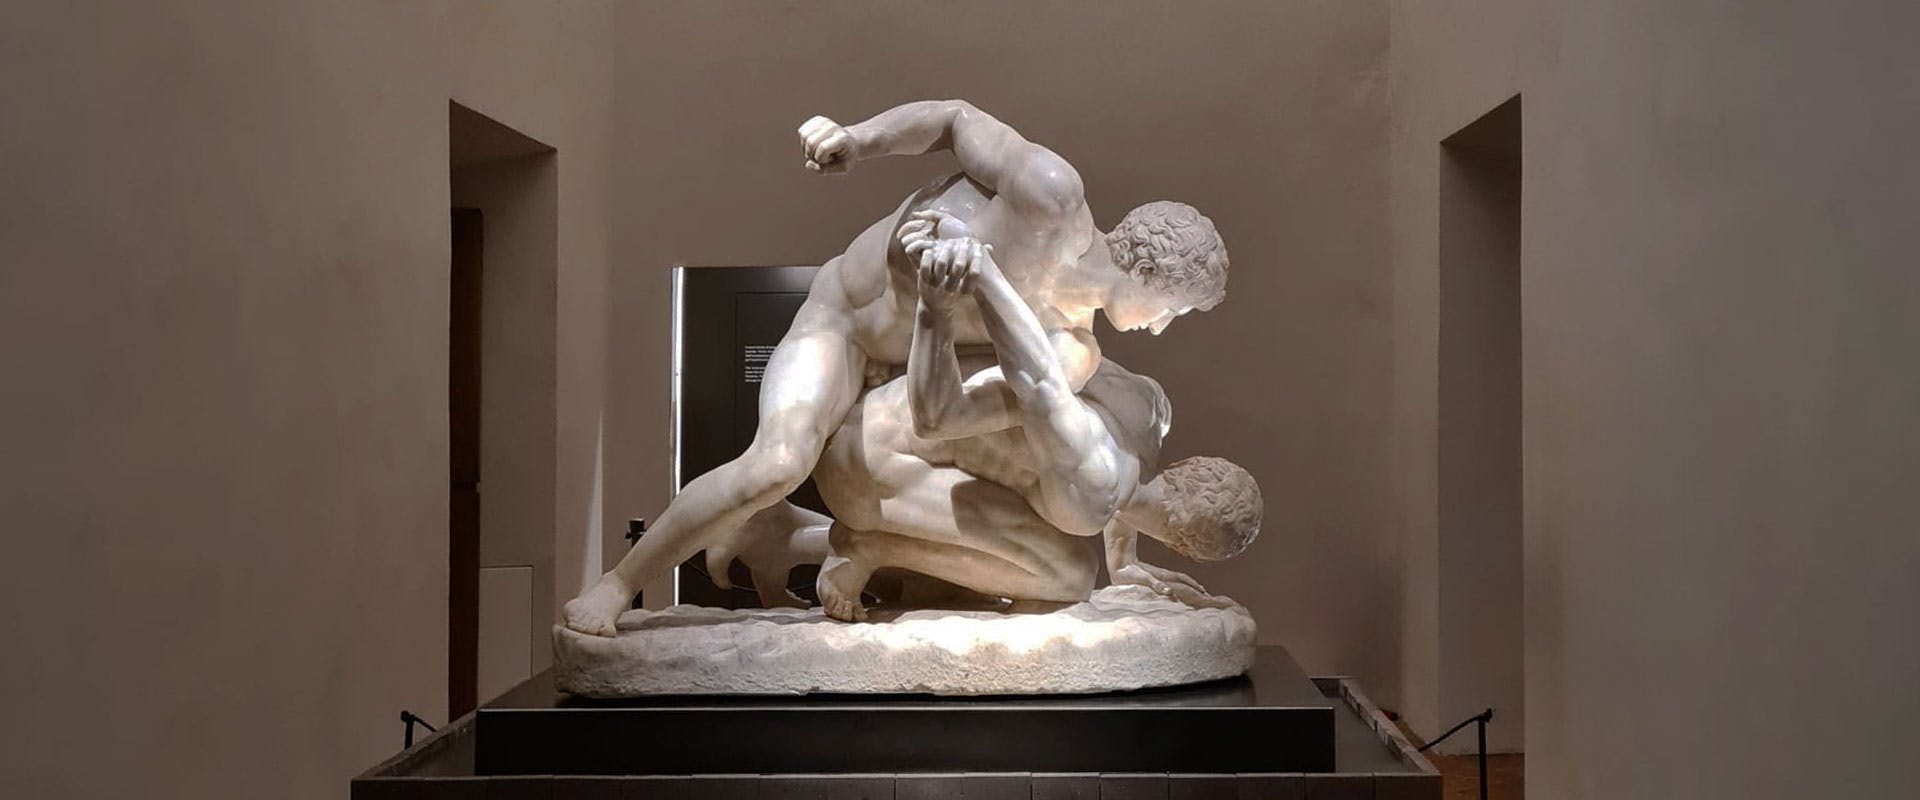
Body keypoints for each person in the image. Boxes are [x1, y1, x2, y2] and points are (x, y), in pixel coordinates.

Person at [566, 100, 1228, 636]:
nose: (1161, 325)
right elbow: (953, 119)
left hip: (902, 376)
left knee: (981, 517)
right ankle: (619, 584)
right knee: (776, 463)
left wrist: (1124, 558)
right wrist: (858, 140)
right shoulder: (1050, 194)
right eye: (1173, 309)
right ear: (1148, 270)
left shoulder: (1073, 351)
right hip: (839, 323)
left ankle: (799, 537)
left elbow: (953, 420)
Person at [805, 219, 1262, 621]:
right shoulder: (1094, 494)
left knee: (1060, 545)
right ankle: (868, 548)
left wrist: (1124, 563)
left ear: (1192, 468)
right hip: (867, 468)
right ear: (1181, 544)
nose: (1161, 324)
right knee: (1070, 576)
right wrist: (980, 273)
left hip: (876, 418)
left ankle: (851, 546)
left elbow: (1123, 485)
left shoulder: (1151, 410)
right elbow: (1040, 385)